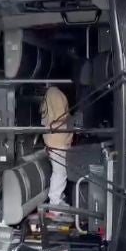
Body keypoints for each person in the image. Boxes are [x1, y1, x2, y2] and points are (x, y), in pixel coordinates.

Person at [41, 85, 74, 220]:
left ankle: (58, 200)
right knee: (59, 172)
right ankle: (55, 204)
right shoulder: (55, 93)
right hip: (58, 141)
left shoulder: (49, 94)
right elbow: (60, 116)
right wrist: (72, 118)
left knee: (60, 172)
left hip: (54, 140)